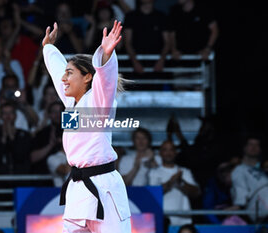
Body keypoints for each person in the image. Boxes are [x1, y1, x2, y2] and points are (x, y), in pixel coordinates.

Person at [42, 20, 131, 232]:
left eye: (70, 73)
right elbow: (56, 74)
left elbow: (105, 82)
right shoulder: (71, 103)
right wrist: (48, 48)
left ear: (88, 77)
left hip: (104, 187)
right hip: (77, 188)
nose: (64, 79)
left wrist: (105, 56)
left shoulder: (99, 102)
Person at [148, 140, 200, 225]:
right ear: (160, 153)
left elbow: (196, 193)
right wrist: (171, 182)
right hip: (162, 221)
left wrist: (181, 183)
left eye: (171, 150)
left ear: (176, 152)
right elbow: (153, 195)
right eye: (165, 150)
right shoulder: (153, 173)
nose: (168, 153)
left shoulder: (185, 171)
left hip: (183, 222)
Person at [123, 0, 170, 73]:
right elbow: (127, 42)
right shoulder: (131, 16)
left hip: (157, 63)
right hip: (135, 63)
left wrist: (161, 60)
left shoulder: (161, 16)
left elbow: (167, 42)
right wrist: (135, 62)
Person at [230, 136, 268, 222]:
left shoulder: (263, 170)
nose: (254, 147)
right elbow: (240, 189)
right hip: (257, 205)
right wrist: (239, 205)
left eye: (257, 145)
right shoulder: (239, 169)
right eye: (251, 144)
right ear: (245, 148)